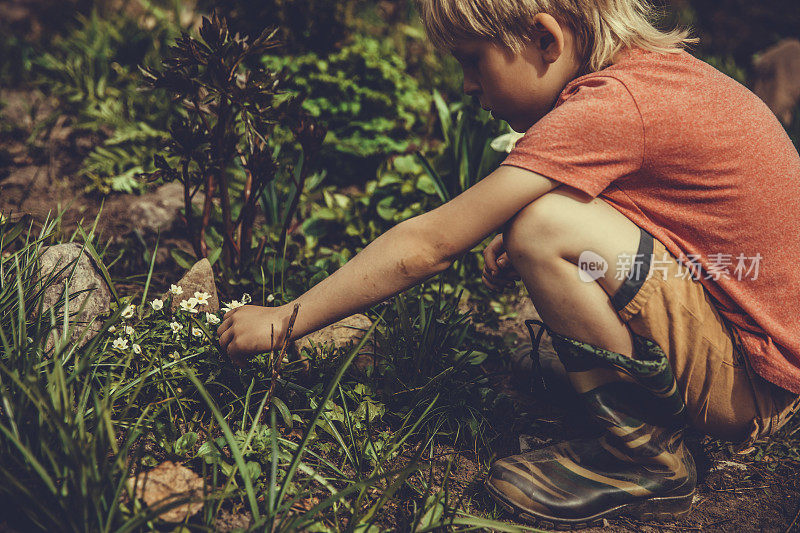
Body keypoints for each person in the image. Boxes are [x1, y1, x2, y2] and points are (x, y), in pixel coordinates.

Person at [217, 0, 800, 527]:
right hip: (767, 362)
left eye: (474, 61)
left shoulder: (611, 106)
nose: (469, 86)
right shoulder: (650, 77)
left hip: (749, 386)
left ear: (547, 40)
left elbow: (429, 246)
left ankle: (644, 458)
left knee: (545, 227)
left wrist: (287, 319)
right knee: (542, 220)